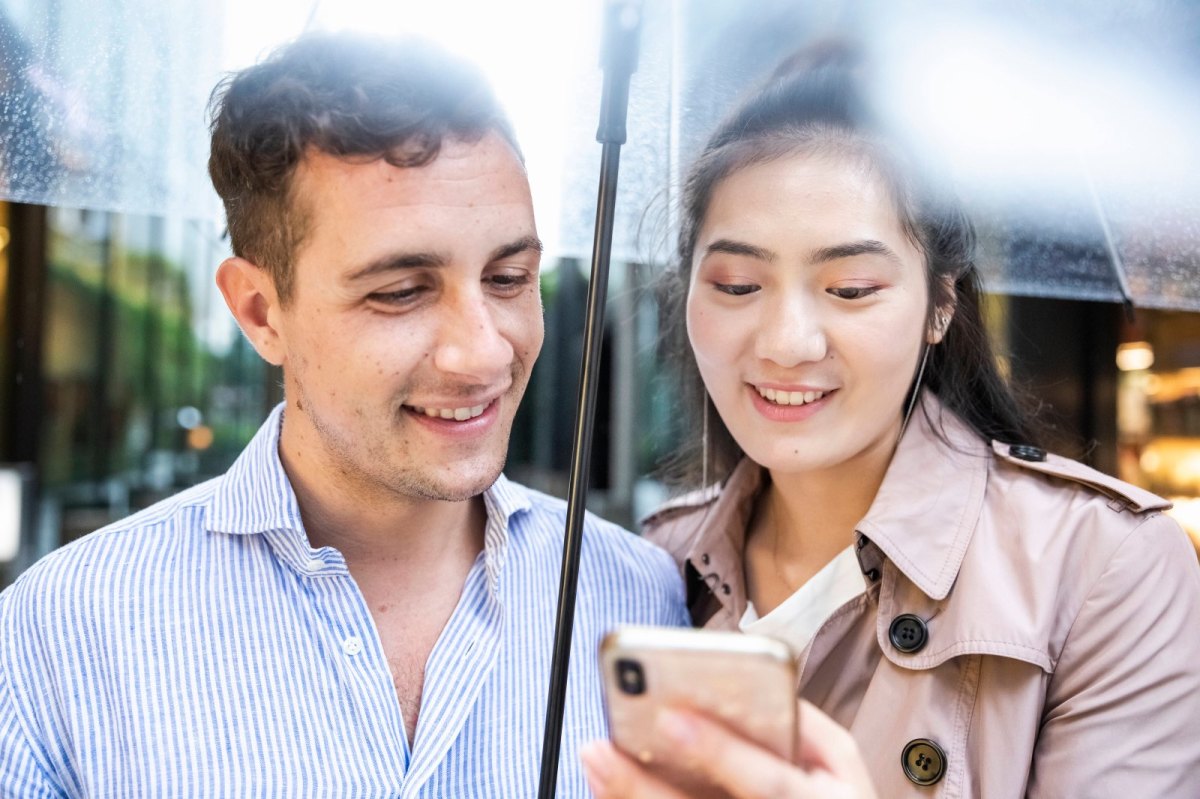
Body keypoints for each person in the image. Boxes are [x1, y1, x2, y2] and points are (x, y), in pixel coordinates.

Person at [0, 32, 686, 797]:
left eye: (509, 276)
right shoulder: (59, 631)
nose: (484, 353)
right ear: (261, 312)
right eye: (400, 291)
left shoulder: (639, 595)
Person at [581, 44, 1200, 797]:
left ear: (941, 303)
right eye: (739, 284)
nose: (786, 342)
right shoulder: (652, 563)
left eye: (849, 288)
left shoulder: (1105, 568)